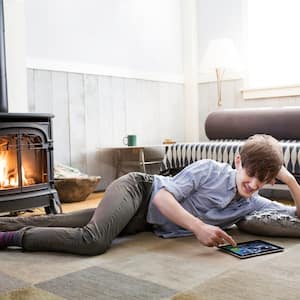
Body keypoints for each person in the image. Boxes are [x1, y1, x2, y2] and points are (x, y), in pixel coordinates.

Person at [0, 134, 299, 255]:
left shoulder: (252, 202)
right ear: (238, 162)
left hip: (141, 220)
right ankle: (10, 239)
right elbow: (161, 199)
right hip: (137, 191)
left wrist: (289, 180)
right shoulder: (209, 170)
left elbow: (296, 214)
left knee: (64, 224)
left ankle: (7, 226)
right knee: (92, 240)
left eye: (263, 181)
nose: (253, 186)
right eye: (251, 176)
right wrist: (198, 227)